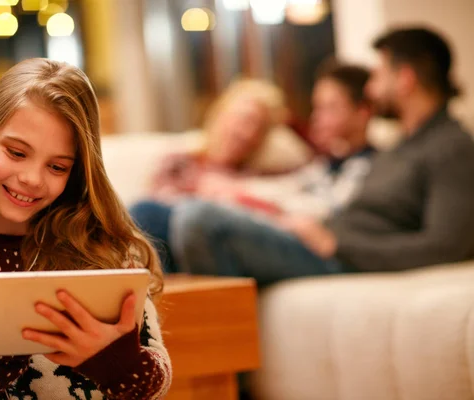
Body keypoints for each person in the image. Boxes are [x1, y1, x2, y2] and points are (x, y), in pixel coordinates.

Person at [0, 59, 171, 399]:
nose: (32, 178)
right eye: (16, 153)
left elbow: (157, 380)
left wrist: (117, 364)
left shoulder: (107, 253)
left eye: (57, 166)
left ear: (76, 173)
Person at [171, 27, 474, 285]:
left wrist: (337, 243)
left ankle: (221, 341)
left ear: (406, 79)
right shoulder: (404, 145)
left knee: (198, 219)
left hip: (341, 258)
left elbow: (446, 246)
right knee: (156, 216)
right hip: (324, 242)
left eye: (380, 76)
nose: (371, 87)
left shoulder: (451, 147)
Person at [134, 61, 376, 272]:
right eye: (242, 119)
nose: (316, 117)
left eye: (258, 128)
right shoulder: (320, 166)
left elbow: (317, 210)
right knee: (147, 214)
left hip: (290, 236)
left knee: (193, 217)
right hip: (189, 234)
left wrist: (238, 194)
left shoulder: (367, 168)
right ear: (221, 114)